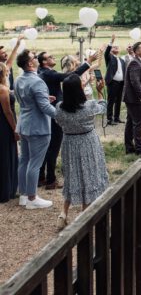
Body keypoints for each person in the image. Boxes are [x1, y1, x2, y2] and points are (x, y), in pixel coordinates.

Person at [54, 74, 109, 229]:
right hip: (87, 142)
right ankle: (85, 216)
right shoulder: (89, 106)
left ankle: (63, 213)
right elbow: (103, 107)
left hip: (69, 143)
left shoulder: (59, 107)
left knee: (72, 176)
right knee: (89, 174)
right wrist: (100, 92)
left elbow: (58, 121)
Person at [37, 49, 96, 190]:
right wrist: (88, 63)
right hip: (54, 112)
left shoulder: (41, 71)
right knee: (54, 146)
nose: (53, 57)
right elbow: (71, 76)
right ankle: (51, 180)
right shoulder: (49, 73)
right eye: (50, 56)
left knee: (47, 146)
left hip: (46, 111)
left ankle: (41, 177)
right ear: (44, 62)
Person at [15, 50, 57, 209]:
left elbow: (24, 99)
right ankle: (32, 199)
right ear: (30, 63)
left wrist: (45, 98)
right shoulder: (38, 81)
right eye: (34, 57)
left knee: (24, 160)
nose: (37, 58)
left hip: (24, 124)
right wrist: (61, 115)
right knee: (35, 163)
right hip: (38, 127)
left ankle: (24, 196)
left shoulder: (19, 79)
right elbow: (45, 108)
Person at [123, 42, 141, 157]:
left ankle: (129, 147)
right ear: (136, 51)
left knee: (131, 123)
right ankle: (140, 149)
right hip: (135, 99)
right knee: (138, 123)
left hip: (132, 98)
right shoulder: (135, 63)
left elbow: (138, 78)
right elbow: (134, 82)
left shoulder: (139, 61)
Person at [0, 62, 18, 203]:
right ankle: (6, 191)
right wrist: (15, 129)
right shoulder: (2, 90)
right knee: (6, 156)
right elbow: (7, 111)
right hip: (4, 126)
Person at [104, 34, 126, 126]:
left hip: (121, 83)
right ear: (111, 49)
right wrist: (111, 42)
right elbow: (106, 52)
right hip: (113, 82)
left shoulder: (122, 60)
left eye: (117, 47)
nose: (116, 48)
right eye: (114, 47)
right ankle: (109, 119)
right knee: (111, 100)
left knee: (118, 101)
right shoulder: (109, 58)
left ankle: (117, 118)